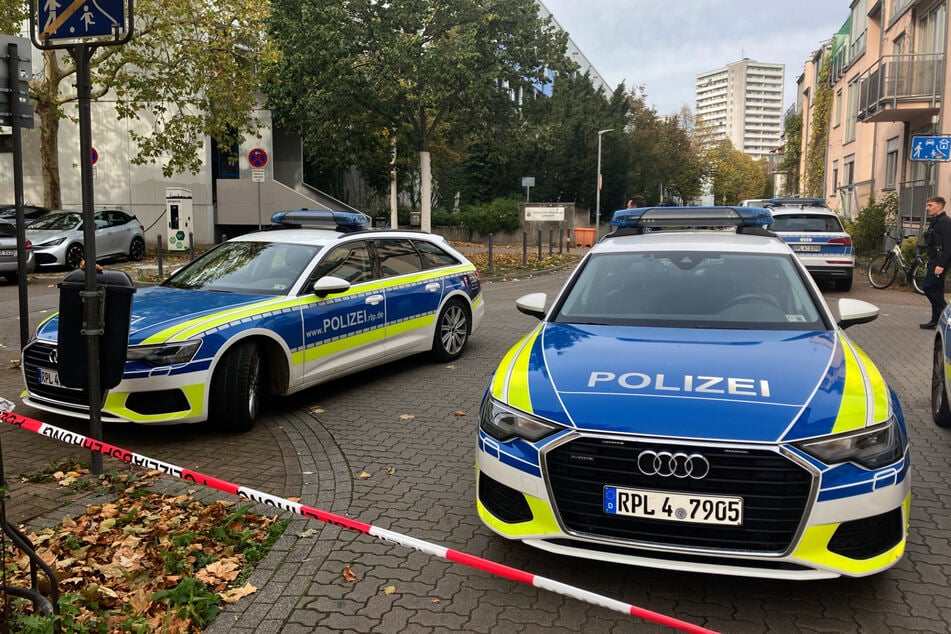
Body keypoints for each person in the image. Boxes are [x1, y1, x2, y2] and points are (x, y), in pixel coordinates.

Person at [920, 195, 951, 329]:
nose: (927, 208)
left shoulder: (944, 222)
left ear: (939, 206)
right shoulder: (936, 221)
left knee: (929, 287)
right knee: (937, 290)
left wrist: (941, 265)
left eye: (930, 205)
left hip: (939, 260)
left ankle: (945, 312)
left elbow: (948, 246)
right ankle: (936, 320)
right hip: (934, 258)